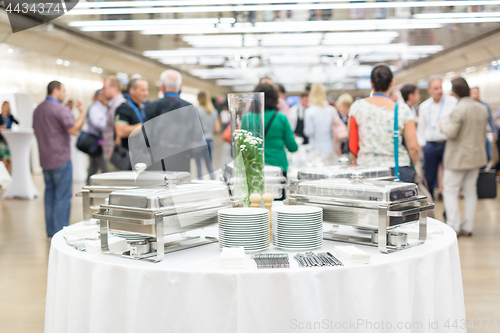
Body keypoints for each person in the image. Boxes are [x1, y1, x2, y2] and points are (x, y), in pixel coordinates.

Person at [33, 81, 86, 237]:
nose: (65, 94)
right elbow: (74, 129)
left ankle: (50, 232)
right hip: (60, 158)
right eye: (63, 91)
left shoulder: (38, 109)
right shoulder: (59, 109)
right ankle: (60, 234)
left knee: (49, 195)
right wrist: (82, 112)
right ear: (56, 91)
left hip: (45, 159)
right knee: (62, 197)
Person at [348, 64, 419, 183]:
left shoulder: (357, 107)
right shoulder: (402, 109)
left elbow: (352, 143)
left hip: (366, 168)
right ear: (392, 83)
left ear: (371, 84)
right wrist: (412, 167)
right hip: (398, 169)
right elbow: (413, 148)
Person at [440, 78, 488, 237]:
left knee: (451, 191)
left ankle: (453, 226)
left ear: (455, 93)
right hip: (475, 158)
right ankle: (468, 226)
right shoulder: (482, 108)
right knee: (470, 192)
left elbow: (452, 132)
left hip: (457, 160)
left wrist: (442, 126)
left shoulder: (458, 109)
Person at [417, 76, 457, 199]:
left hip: (447, 144)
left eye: (440, 87)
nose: (439, 91)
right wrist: (423, 144)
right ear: (429, 90)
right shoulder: (424, 106)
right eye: (436, 88)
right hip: (430, 146)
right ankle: (430, 206)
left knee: (450, 177)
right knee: (429, 178)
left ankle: (448, 211)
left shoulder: (452, 102)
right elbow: (421, 128)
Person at [147, 69, 195, 172]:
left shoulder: (153, 106)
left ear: (162, 87)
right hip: (182, 156)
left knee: (159, 185)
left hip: (159, 156)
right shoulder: (189, 107)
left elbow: (147, 134)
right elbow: (196, 135)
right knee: (181, 184)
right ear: (180, 86)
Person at [251, 83, 298, 177]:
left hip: (255, 167)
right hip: (278, 166)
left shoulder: (247, 118)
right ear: (275, 98)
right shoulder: (281, 118)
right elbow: (293, 147)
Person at [114, 76, 149, 168]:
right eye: (143, 90)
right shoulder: (124, 108)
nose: (146, 93)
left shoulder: (142, 107)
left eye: (147, 90)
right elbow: (121, 131)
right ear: (132, 90)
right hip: (128, 159)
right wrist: (143, 126)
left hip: (141, 156)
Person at [304, 84, 337, 164]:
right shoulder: (331, 110)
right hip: (331, 149)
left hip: (316, 150)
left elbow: (308, 132)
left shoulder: (309, 112)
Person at [102, 76, 126, 171]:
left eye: (105, 88)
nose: (102, 91)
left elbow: (119, 132)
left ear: (114, 88)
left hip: (113, 154)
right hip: (109, 152)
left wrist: (113, 154)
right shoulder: (112, 105)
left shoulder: (119, 105)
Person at [195, 91, 220, 180]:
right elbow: (217, 128)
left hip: (199, 140)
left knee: (198, 165)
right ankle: (213, 180)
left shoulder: (197, 111)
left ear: (199, 99)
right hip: (209, 139)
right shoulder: (213, 112)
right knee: (209, 165)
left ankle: (200, 184)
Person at [470, 87, 498, 163]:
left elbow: (491, 120)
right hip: (472, 136)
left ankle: (484, 169)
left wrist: (494, 132)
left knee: (488, 155)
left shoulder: (485, 105)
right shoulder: (468, 106)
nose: (476, 94)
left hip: (483, 135)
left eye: (477, 92)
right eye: (474, 92)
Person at [86, 89, 108, 183]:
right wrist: (110, 126)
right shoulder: (94, 108)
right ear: (99, 96)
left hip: (100, 143)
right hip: (96, 142)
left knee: (93, 167)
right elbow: (98, 124)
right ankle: (89, 186)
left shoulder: (101, 108)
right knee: (102, 168)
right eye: (103, 95)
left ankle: (89, 185)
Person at [0, 101, 20, 174]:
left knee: (10, 160)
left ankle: (9, 176)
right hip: (2, 141)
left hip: (9, 141)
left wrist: (11, 114)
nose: (6, 108)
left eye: (8, 107)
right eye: (5, 107)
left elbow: (17, 122)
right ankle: (4, 176)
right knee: (4, 160)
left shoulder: (10, 117)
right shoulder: (0, 117)